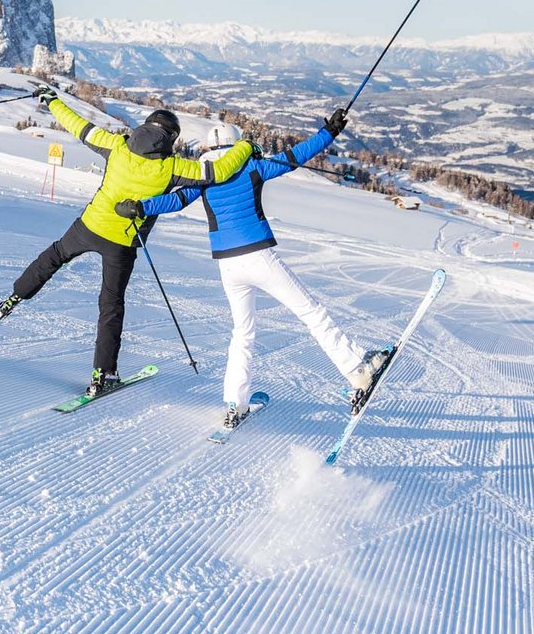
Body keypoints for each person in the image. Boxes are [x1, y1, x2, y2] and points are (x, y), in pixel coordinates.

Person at [119, 108, 389, 429]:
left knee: (242, 333)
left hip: (227, 264)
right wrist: (329, 131)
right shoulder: (249, 164)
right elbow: (295, 156)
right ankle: (357, 369)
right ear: (236, 144)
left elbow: (176, 201)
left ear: (208, 147)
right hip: (258, 255)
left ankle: (235, 403)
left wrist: (141, 206)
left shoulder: (201, 172)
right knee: (311, 312)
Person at [0, 85, 254, 399]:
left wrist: (52, 100)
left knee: (55, 255)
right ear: (172, 138)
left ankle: (12, 300)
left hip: (89, 225)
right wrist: (247, 147)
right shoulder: (173, 167)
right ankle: (103, 374)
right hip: (123, 242)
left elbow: (78, 126)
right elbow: (220, 170)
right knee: (110, 306)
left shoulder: (117, 145)